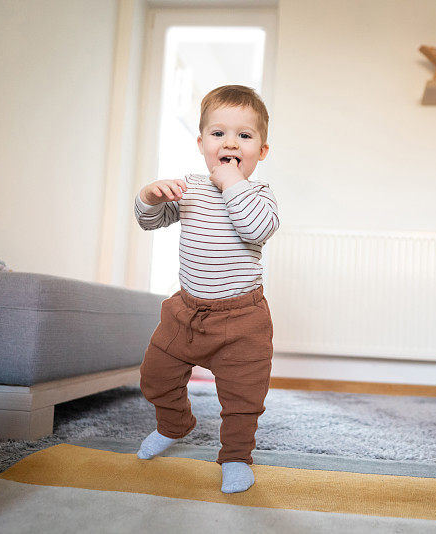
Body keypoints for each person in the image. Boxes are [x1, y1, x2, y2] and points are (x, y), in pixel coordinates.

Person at [133, 85, 279, 494]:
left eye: (244, 136)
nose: (230, 142)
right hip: (187, 312)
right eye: (218, 134)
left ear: (261, 151)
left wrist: (232, 181)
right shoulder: (191, 188)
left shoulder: (259, 195)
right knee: (155, 375)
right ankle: (174, 424)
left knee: (243, 398)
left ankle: (235, 456)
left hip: (243, 320)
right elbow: (150, 221)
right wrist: (149, 196)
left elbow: (256, 228)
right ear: (202, 144)